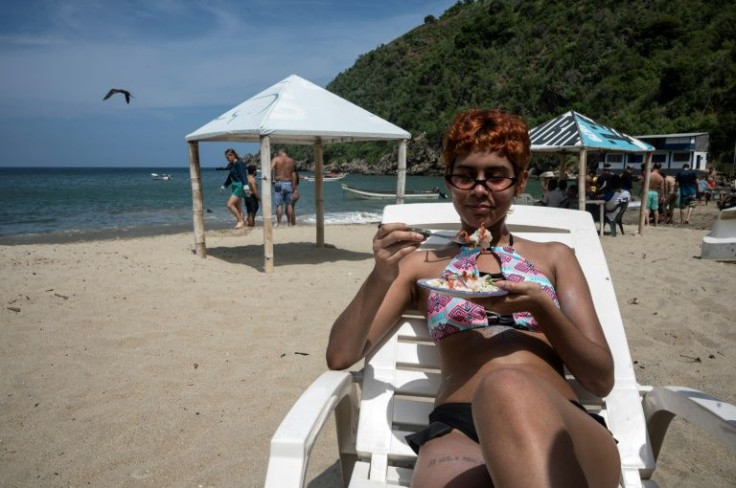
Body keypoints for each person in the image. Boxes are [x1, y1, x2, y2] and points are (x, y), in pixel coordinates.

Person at [326, 109, 620, 487]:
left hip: (558, 421)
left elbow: (601, 380)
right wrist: (380, 275)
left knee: (506, 387)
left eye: (496, 176)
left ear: (520, 182)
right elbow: (340, 355)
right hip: (458, 427)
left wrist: (543, 309)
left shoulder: (555, 256)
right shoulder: (419, 266)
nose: (480, 189)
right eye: (466, 175)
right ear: (450, 182)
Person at [220, 148, 248, 229]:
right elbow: (230, 177)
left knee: (229, 204)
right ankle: (242, 224)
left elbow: (243, 175)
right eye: (226, 158)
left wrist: (246, 186)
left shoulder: (239, 164)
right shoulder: (232, 164)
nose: (227, 159)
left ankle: (240, 221)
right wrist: (224, 186)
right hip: (234, 185)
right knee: (238, 206)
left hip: (239, 186)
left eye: (228, 157)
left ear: (233, 155)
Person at [271, 148, 297, 226]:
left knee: (279, 205)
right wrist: (293, 186)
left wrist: (272, 179)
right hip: (288, 182)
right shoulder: (291, 161)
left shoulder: (276, 159)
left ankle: (279, 223)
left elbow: (271, 168)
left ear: (281, 152)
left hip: (279, 182)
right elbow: (293, 174)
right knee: (289, 204)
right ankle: (289, 223)